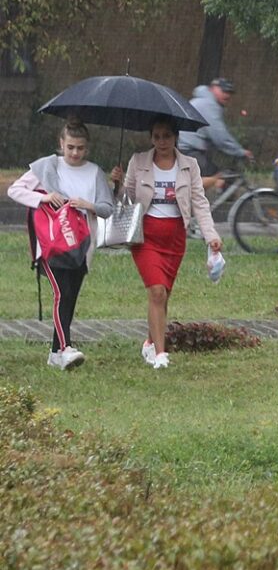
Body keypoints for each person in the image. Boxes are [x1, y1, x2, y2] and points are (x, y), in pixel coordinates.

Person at [113, 115, 222, 369]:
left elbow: (199, 202)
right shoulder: (138, 162)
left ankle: (150, 342)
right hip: (145, 235)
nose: (162, 141)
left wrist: (211, 236)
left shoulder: (189, 165)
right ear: (151, 138)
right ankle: (161, 355)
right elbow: (124, 200)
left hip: (175, 238)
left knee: (164, 295)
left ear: (176, 138)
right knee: (157, 291)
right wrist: (117, 183)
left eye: (167, 136)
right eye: (157, 136)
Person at [7, 118, 114, 370]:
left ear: (87, 147)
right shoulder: (46, 167)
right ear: (61, 144)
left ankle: (55, 352)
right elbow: (15, 190)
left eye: (80, 148)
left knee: (70, 298)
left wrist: (88, 205)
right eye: (70, 148)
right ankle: (66, 348)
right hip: (52, 244)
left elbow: (107, 209)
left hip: (81, 245)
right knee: (60, 293)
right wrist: (44, 198)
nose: (75, 153)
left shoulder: (95, 172)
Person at [177, 77, 252, 189]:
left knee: (214, 175)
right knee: (220, 176)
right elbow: (220, 137)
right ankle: (186, 197)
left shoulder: (201, 101)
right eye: (224, 91)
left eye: (229, 92)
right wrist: (240, 151)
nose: (227, 95)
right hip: (189, 151)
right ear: (212, 89)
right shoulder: (209, 105)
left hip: (184, 149)